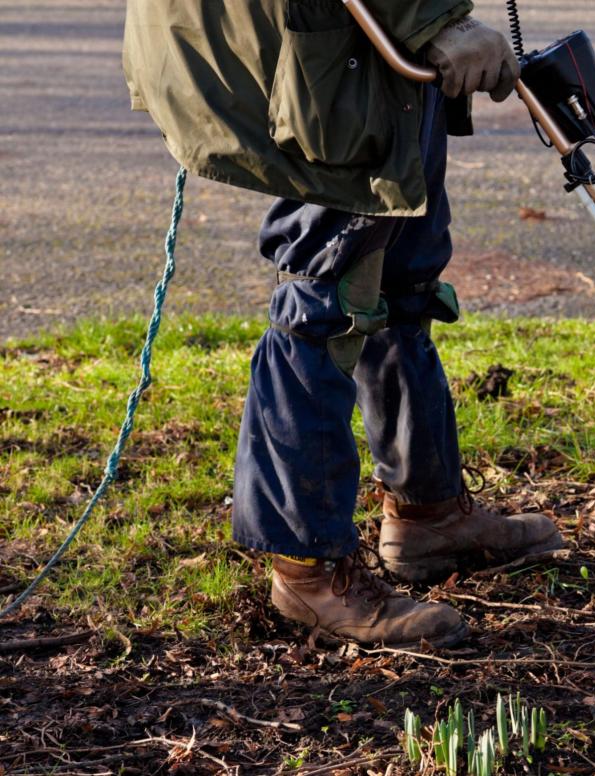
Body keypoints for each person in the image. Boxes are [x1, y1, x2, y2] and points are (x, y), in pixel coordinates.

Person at [122, 0, 565, 648]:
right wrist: (431, 18)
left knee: (402, 271)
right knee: (327, 290)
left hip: (356, 34)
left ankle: (427, 514)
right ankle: (307, 568)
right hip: (322, 41)